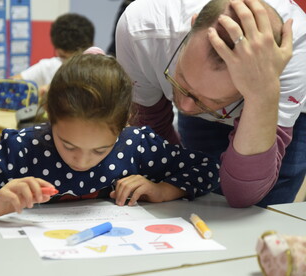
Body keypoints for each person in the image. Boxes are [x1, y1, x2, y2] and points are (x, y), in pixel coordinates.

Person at [0, 53, 220, 221]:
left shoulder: (136, 146)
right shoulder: (23, 149)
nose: (82, 161)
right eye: (68, 145)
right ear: (50, 118)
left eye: (101, 150)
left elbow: (208, 169)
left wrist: (162, 190)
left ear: (123, 126)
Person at [116, 0, 306, 208]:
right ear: (192, 26)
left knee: (260, 211)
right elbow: (151, 133)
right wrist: (171, 183)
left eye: (214, 101)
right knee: (201, 201)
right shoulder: (141, 27)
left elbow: (243, 195)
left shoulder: (294, 56)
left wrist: (262, 94)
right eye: (183, 81)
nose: (186, 108)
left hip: (284, 111)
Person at [12, 13, 95, 95]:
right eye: (63, 57)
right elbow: (8, 86)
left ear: (92, 47)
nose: (70, 65)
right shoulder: (48, 67)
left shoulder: (102, 72)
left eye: (77, 59)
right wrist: (34, 93)